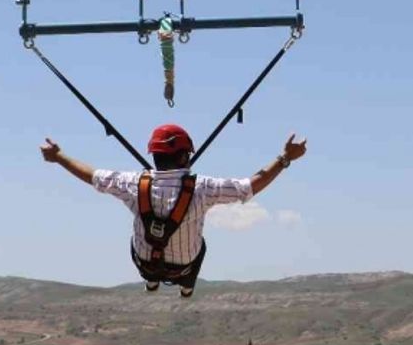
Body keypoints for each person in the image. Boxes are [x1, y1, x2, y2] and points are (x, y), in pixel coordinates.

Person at [41, 124, 306, 297]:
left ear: (154, 155)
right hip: (184, 266)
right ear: (185, 156)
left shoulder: (132, 183)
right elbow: (250, 185)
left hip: (144, 262)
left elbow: (92, 176)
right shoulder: (203, 188)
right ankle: (187, 286)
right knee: (201, 246)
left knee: (137, 239)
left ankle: (152, 281)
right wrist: (284, 159)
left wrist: (58, 156)